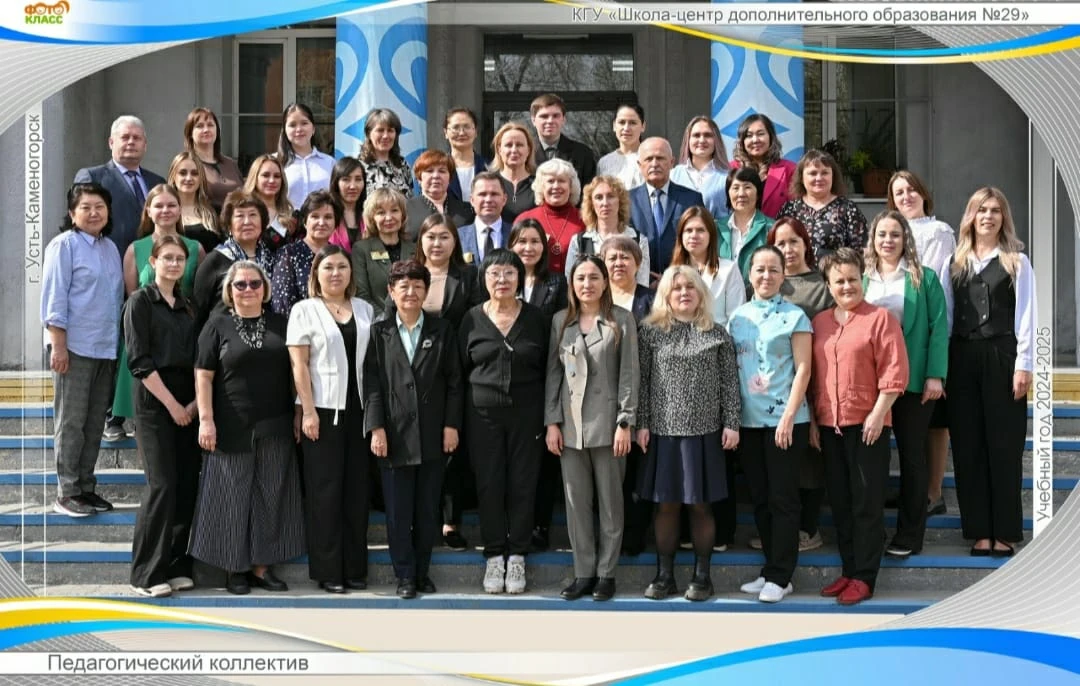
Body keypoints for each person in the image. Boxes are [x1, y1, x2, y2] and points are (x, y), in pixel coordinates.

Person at [191, 260, 304, 595]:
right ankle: (235, 568)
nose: (248, 290)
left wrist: (300, 411)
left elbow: (297, 370)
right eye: (240, 284)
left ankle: (261, 568)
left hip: (276, 422)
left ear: (265, 288)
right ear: (229, 290)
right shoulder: (217, 325)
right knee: (232, 497)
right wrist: (206, 419)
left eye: (254, 284)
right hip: (231, 425)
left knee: (271, 496)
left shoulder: (282, 323)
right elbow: (203, 375)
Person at [636, 266, 741, 602]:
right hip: (663, 432)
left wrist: (732, 422)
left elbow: (729, 383)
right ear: (666, 294)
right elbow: (642, 383)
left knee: (700, 505)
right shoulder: (650, 332)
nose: (684, 293)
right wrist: (642, 423)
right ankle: (664, 575)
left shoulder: (717, 333)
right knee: (666, 506)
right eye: (677, 288)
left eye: (690, 287)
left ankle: (702, 576)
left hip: (705, 433)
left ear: (701, 293)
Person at [812, 247, 908, 606]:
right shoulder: (820, 323)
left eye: (853, 279)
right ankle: (849, 570)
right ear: (828, 285)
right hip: (829, 425)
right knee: (841, 501)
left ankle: (865, 577)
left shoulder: (880, 319)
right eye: (839, 281)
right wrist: (814, 421)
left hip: (868, 425)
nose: (847, 286)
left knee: (866, 503)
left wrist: (878, 414)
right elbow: (813, 376)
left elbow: (895, 371)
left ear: (862, 280)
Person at [364, 260, 464, 598]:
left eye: (418, 286)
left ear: (426, 291)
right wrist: (376, 428)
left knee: (426, 510)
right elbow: (372, 384)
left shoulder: (442, 330)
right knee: (398, 512)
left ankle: (422, 573)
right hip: (393, 435)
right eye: (403, 286)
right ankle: (404, 575)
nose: (410, 292)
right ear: (391, 292)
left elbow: (454, 382)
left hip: (433, 433)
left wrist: (451, 425)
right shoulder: (379, 332)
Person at [545, 256, 639, 602]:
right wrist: (552, 422)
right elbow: (553, 374)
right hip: (571, 427)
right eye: (580, 278)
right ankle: (583, 572)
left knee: (611, 504)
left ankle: (606, 573)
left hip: (609, 424)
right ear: (571, 283)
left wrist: (625, 422)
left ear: (605, 282)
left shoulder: (621, 320)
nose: (587, 284)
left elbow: (629, 374)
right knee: (576, 505)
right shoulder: (561, 321)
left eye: (594, 277)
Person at [948, 187, 1035, 558]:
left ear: (1003, 217)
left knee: (1004, 445)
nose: (988, 216)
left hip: (1003, 356)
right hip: (962, 358)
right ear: (971, 216)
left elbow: (1027, 315)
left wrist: (1024, 364)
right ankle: (979, 531)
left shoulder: (1017, 262)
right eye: (981, 210)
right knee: (968, 446)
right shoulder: (955, 263)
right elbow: (948, 317)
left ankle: (1006, 531)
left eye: (995, 210)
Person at [458, 249, 549, 594]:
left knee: (523, 483)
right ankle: (495, 554)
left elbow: (549, 368)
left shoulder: (537, 318)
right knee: (489, 483)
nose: (502, 280)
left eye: (510, 273)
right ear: (484, 279)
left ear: (520, 278)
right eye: (495, 273)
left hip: (528, 414)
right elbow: (461, 371)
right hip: (482, 415)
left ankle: (518, 555)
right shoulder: (471, 319)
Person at [287, 244, 375, 593]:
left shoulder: (365, 309)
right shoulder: (304, 310)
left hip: (360, 411)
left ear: (351, 273)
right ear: (316, 274)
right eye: (328, 267)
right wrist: (307, 411)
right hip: (322, 411)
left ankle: (354, 568)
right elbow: (299, 366)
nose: (335, 273)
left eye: (342, 267)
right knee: (325, 493)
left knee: (356, 491)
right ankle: (328, 571)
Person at [728, 246, 812, 604]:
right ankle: (769, 569)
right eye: (759, 269)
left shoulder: (795, 316)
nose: (766, 276)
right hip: (748, 421)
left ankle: (782, 574)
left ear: (783, 275)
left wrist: (789, 416)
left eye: (773, 270)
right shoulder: (738, 317)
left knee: (783, 499)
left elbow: (804, 368)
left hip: (785, 421)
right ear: (749, 274)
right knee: (761, 499)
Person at [863, 210, 949, 558]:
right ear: (873, 240)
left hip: (913, 380)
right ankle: (871, 534)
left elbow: (938, 327)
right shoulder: (863, 278)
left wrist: (935, 374)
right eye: (882, 234)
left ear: (905, 240)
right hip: (871, 383)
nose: (888, 241)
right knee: (872, 459)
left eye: (895, 235)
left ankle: (909, 536)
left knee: (913, 458)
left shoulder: (923, 278)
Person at [41, 183, 124, 517]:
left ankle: (86, 487)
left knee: (92, 424)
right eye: (85, 207)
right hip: (73, 348)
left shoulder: (110, 248)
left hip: (105, 348)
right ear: (72, 213)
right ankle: (67, 492)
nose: (93, 213)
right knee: (71, 422)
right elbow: (54, 299)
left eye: (99, 207)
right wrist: (58, 346)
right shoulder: (64, 246)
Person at [124, 234, 200, 597]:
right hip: (156, 401)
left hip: (188, 400)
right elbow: (139, 361)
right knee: (162, 484)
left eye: (179, 259)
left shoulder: (188, 306)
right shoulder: (140, 302)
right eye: (167, 258)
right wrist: (173, 405)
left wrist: (194, 405)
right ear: (153, 262)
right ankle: (146, 574)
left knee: (185, 483)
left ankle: (175, 565)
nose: (173, 264)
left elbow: (201, 359)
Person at [406, 214, 485, 552]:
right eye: (431, 236)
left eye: (444, 237)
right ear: (420, 241)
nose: (437, 243)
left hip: (456, 372)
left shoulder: (468, 276)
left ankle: (450, 522)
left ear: (455, 241)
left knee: (452, 450)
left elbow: (477, 320)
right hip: (413, 375)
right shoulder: (408, 275)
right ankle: (418, 518)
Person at [759, 217, 833, 553]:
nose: (787, 249)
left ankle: (808, 528)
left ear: (806, 244)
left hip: (814, 375)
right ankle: (779, 529)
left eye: (793, 242)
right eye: (780, 243)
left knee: (810, 460)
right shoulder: (768, 280)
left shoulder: (821, 285)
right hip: (772, 386)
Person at [887, 170, 957, 517]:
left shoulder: (938, 231)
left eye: (912, 190)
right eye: (899, 192)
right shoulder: (889, 231)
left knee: (933, 421)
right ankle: (910, 490)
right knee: (908, 423)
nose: (906, 196)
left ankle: (933, 492)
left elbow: (937, 283)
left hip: (929, 330)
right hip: (897, 337)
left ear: (924, 194)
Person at [113, 185, 204, 434]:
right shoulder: (135, 249)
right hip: (146, 337)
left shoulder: (195, 248)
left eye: (171, 205)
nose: (165, 210)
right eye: (159, 205)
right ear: (148, 211)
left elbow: (200, 294)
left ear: (180, 210)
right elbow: (132, 294)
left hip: (182, 339)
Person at [507, 219, 570, 551]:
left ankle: (540, 525)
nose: (528, 248)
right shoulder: (502, 279)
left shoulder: (556, 283)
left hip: (545, 377)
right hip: (509, 382)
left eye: (534, 242)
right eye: (521, 242)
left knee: (543, 459)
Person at [600, 236, 656, 555]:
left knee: (637, 471)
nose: (619, 263)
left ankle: (634, 536)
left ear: (638, 263)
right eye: (612, 258)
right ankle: (608, 537)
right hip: (603, 399)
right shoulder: (593, 299)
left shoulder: (652, 300)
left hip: (645, 395)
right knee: (607, 475)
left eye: (625, 257)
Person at [73, 115, 166, 260]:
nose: (131, 142)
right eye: (125, 137)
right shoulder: (93, 177)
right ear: (111, 142)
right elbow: (80, 226)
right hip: (109, 262)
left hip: (152, 263)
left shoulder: (157, 182)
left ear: (145, 145)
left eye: (137, 138)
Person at [192, 192, 274, 333]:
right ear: (229, 224)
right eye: (240, 216)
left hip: (266, 335)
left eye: (253, 215)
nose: (247, 221)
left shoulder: (272, 258)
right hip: (224, 339)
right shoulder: (215, 261)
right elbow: (198, 311)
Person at [630, 137, 704, 278]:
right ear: (639, 165)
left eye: (660, 158)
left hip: (682, 280)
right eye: (649, 159)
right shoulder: (627, 201)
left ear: (671, 162)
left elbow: (701, 246)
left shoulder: (691, 199)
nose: (654, 164)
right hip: (640, 283)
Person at [776, 150, 868, 263]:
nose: (819, 178)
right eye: (813, 173)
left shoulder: (848, 209)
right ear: (801, 178)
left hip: (835, 273)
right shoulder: (790, 209)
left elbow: (860, 252)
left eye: (825, 173)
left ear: (833, 176)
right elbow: (777, 248)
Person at [565, 175, 651, 287]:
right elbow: (571, 284)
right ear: (591, 204)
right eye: (599, 197)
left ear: (620, 201)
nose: (605, 203)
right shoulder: (579, 242)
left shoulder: (638, 240)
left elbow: (642, 285)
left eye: (611, 196)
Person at [670, 206, 744, 325]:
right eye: (688, 230)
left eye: (700, 230)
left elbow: (737, 320)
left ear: (711, 235)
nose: (694, 235)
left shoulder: (728, 270)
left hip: (719, 335)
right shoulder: (672, 273)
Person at [272, 190, 342, 318]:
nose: (321, 222)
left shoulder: (339, 255)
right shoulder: (289, 254)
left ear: (335, 223)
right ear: (305, 221)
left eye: (328, 217)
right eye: (315, 216)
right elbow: (282, 306)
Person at [352, 188, 417, 317]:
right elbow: (362, 295)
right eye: (381, 213)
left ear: (402, 214)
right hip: (379, 323)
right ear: (372, 218)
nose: (389, 217)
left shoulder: (415, 249)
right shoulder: (361, 250)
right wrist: (386, 322)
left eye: (394, 210)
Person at [513, 159, 586, 274]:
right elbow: (514, 260)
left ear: (571, 186)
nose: (556, 186)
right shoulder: (525, 219)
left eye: (561, 181)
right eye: (550, 181)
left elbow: (589, 259)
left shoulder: (585, 219)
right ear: (541, 187)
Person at [730, 113, 797, 219]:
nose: (755, 140)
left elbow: (797, 210)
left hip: (777, 228)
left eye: (760, 134)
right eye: (749, 135)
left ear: (771, 137)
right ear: (742, 141)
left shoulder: (790, 170)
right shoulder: (731, 169)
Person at [182, 107, 244, 211]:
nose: (206, 130)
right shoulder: (187, 164)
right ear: (190, 134)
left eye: (210, 125)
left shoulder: (230, 164)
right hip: (205, 219)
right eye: (200, 126)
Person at [530, 93, 597, 188]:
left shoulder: (583, 154)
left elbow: (588, 193)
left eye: (556, 116)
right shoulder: (525, 153)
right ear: (533, 120)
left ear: (563, 119)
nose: (550, 121)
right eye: (544, 116)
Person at [404, 150, 473, 241]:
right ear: (419, 179)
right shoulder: (405, 209)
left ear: (450, 178)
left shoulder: (467, 210)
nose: (436, 176)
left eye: (442, 171)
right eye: (429, 171)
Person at [670, 116, 730, 220]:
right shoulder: (673, 175)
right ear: (688, 140)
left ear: (716, 140)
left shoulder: (728, 177)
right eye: (696, 135)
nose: (702, 140)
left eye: (708, 135)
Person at [719, 167, 772, 282]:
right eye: (735, 188)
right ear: (728, 193)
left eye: (747, 187)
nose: (741, 194)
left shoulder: (771, 228)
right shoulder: (716, 228)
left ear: (758, 193)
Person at [242, 154, 298, 258]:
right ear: (255, 178)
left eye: (277, 176)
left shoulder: (291, 215)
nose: (272, 180)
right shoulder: (241, 212)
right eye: (265, 175)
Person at [167, 151, 223, 254]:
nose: (189, 178)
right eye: (183, 173)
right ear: (173, 176)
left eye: (195, 173)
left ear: (201, 178)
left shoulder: (215, 212)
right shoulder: (164, 211)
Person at [490, 121, 538, 223]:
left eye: (519, 145)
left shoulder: (539, 184)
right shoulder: (489, 183)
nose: (514, 150)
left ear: (528, 150)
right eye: (508, 145)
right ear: (499, 150)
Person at [360, 107, 414, 198]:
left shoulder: (402, 165)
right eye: (380, 130)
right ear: (368, 133)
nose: (385, 136)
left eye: (390, 130)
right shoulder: (359, 167)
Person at [458, 172, 509, 263]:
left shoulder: (517, 235)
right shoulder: (457, 236)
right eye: (482, 194)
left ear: (504, 199)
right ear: (472, 200)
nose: (488, 200)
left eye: (494, 194)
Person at [596, 104, 646, 191]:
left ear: (643, 126)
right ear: (614, 126)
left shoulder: (651, 159)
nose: (626, 128)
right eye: (622, 122)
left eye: (632, 123)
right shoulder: (604, 163)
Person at [444, 108, 489, 203]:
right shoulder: (439, 167)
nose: (461, 133)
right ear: (446, 133)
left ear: (475, 132)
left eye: (467, 127)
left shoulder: (489, 167)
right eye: (456, 127)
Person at [327, 156, 367, 253]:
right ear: (336, 183)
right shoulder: (327, 213)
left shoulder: (369, 214)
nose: (353, 186)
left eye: (358, 179)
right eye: (346, 179)